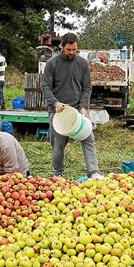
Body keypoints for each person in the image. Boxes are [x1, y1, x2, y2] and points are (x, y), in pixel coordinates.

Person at [41, 33, 102, 180]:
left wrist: (83, 106)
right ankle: (58, 174)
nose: (72, 52)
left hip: (77, 109)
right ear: (62, 47)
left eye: (74, 49)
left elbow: (87, 87)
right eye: (69, 50)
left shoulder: (82, 64)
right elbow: (45, 87)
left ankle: (94, 172)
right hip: (59, 111)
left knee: (88, 138)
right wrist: (55, 103)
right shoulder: (52, 64)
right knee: (58, 144)